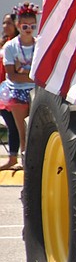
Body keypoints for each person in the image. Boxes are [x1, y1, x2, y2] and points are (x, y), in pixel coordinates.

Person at [0, 3, 40, 166]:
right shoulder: (11, 46)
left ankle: (36, 161)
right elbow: (12, 75)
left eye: (32, 25)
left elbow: (42, 73)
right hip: (16, 92)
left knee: (37, 128)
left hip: (36, 90)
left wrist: (23, 70)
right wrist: (30, 74)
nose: (28, 28)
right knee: (22, 130)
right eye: (24, 25)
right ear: (18, 25)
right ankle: (23, 161)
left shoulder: (39, 44)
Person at [0, 12, 20, 168]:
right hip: (2, 90)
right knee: (10, 124)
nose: (6, 26)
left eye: (9, 23)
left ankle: (14, 157)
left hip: (12, 89)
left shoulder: (18, 44)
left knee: (14, 125)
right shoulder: (3, 43)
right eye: (4, 23)